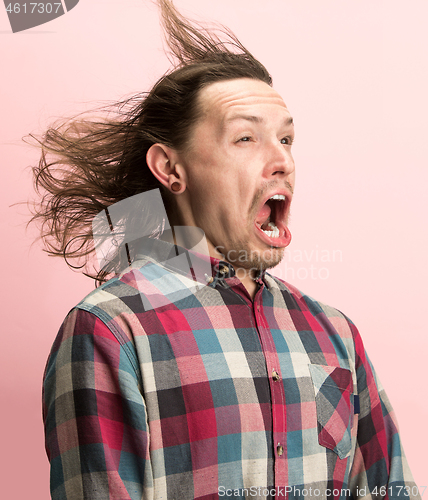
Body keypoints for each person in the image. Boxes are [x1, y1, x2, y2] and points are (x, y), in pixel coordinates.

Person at [34, 1, 420, 499]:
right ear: (171, 170)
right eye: (245, 138)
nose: (282, 159)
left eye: (286, 138)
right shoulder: (111, 331)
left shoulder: (335, 333)